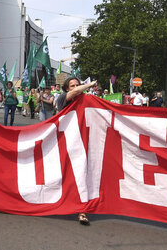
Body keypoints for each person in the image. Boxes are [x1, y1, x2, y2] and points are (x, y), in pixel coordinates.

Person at [53, 76, 97, 225]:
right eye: (72, 86)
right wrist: (89, 84)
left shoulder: (86, 100)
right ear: (67, 89)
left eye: (77, 85)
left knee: (81, 175)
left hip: (81, 144)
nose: (76, 88)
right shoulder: (62, 99)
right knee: (62, 176)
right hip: (63, 143)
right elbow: (75, 93)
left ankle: (82, 211)